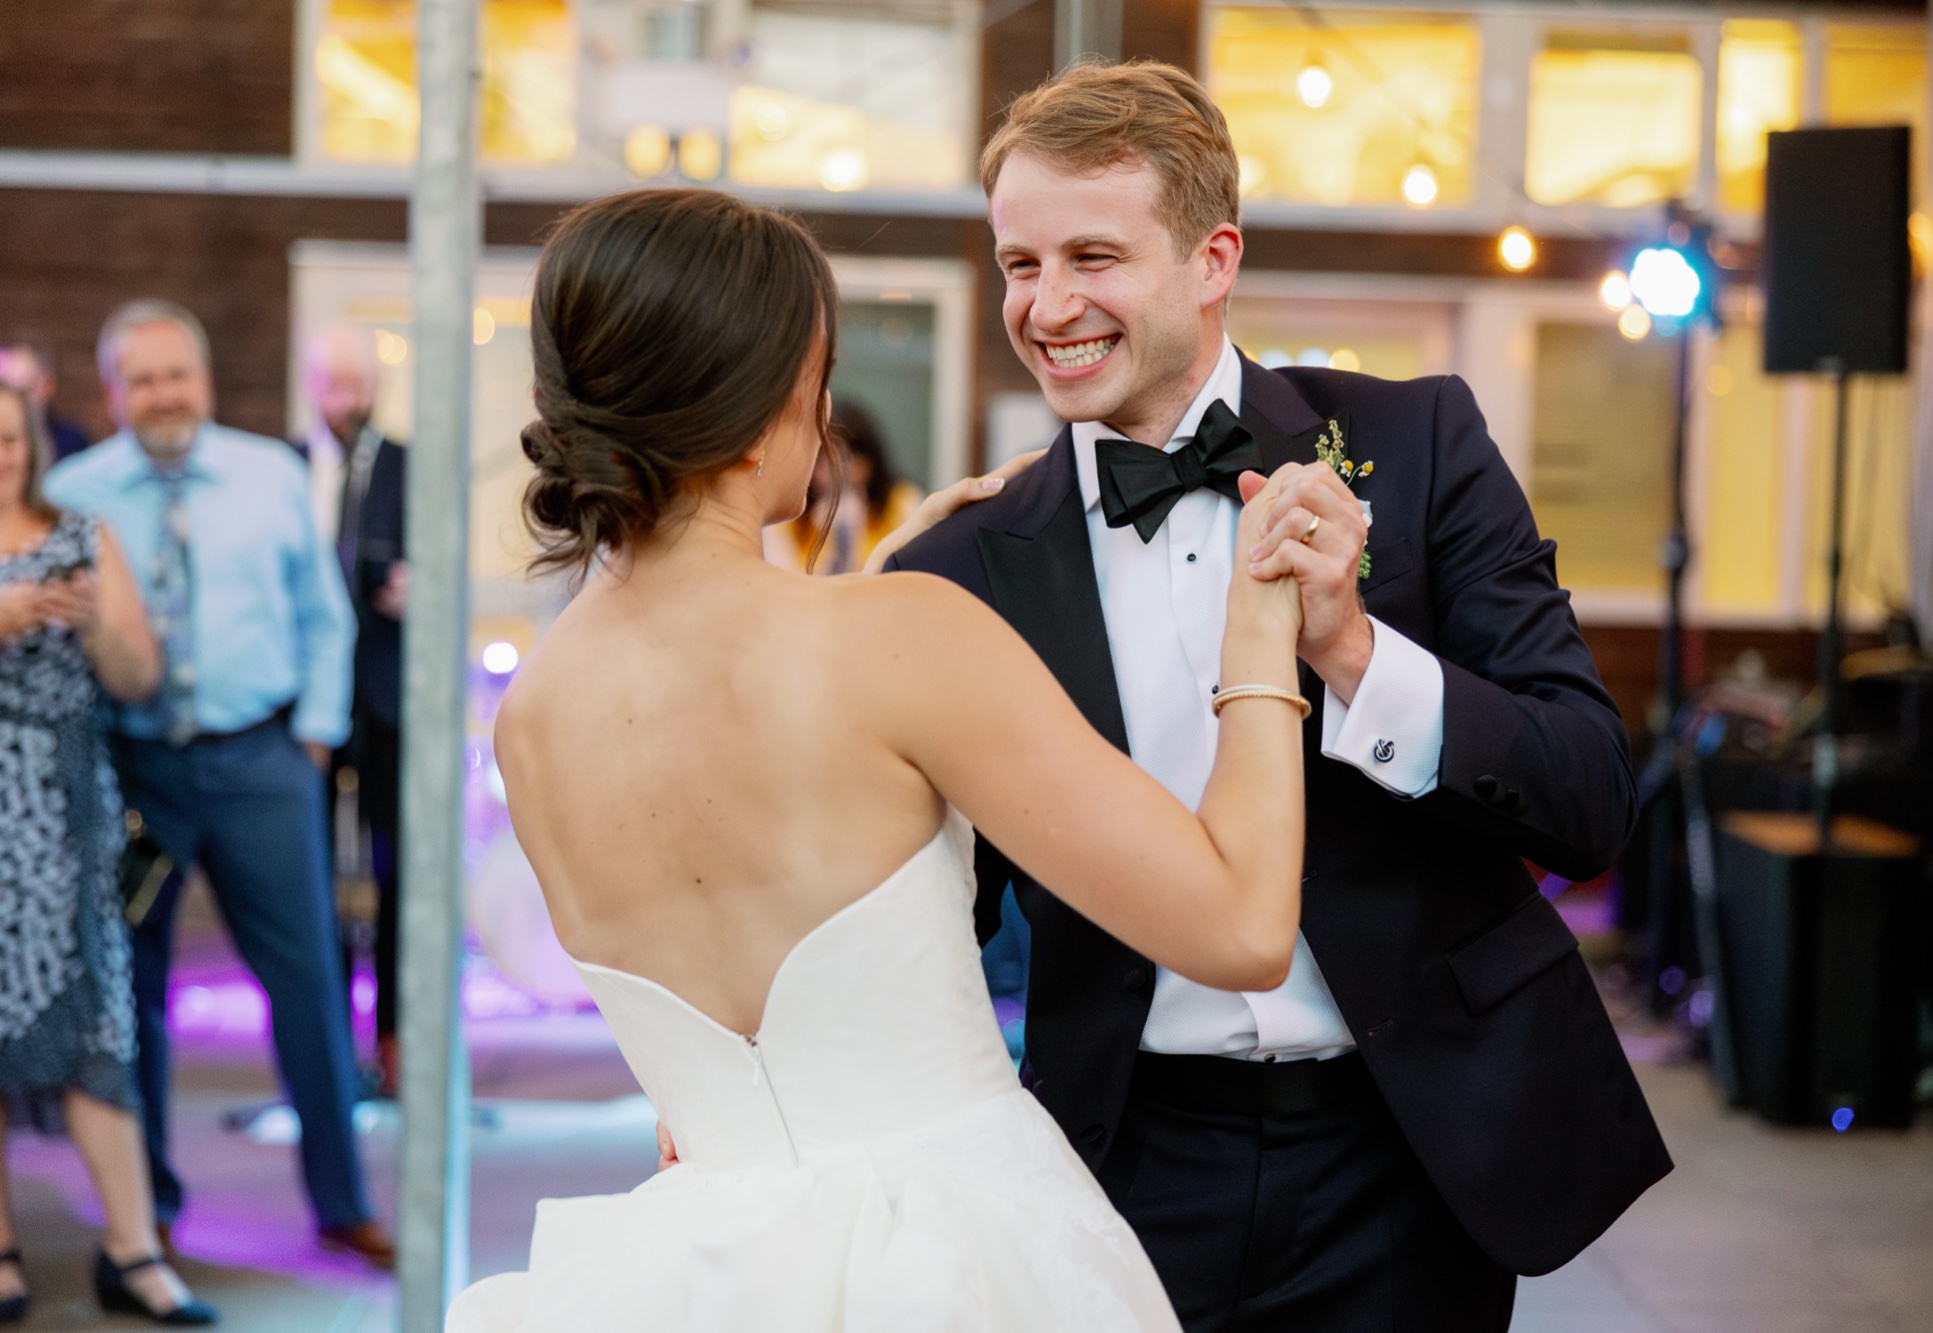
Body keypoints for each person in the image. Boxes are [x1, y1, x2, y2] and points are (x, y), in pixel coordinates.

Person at [885, 59, 1673, 1332]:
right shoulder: (957, 567)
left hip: (1412, 1154)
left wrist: (1356, 651)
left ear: (1212, 260)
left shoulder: (1416, 444)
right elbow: (920, 917)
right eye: (1018, 264)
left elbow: (1587, 795)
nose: (1046, 305)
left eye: (1093, 255)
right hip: (1119, 1162)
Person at [446, 187, 1312, 1332]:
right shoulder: (896, 640)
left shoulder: (534, 717)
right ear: (773, 396)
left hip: (694, 1270)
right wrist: (1260, 638)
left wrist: (859, 602)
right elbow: (1244, 928)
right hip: (956, 1253)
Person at [43, 300, 395, 1270]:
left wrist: (316, 740)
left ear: (204, 379)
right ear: (112, 392)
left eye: (177, 375)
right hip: (134, 769)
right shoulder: (73, 488)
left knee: (311, 987)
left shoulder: (271, 474)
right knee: (135, 996)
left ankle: (341, 1202)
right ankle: (148, 1206)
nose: (164, 395)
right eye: (142, 380)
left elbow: (325, 619)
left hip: (260, 762)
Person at [0, 383, 217, 1324]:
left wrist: (90, 620)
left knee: (100, 1025)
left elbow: (138, 675)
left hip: (67, 814)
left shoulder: (82, 531)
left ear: (33, 441)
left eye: (9, 436)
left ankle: (132, 1250)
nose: (0, 452)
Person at [300, 326, 408, 1096]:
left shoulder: (407, 465)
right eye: (337, 386)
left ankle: (395, 1039)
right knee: (310, 871)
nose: (351, 402)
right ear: (314, 389)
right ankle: (327, 1042)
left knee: (395, 868)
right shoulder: (288, 469)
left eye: (360, 384)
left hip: (388, 695)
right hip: (309, 702)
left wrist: (413, 586)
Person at [762, 399, 922, 574]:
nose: (838, 472)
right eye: (824, 459)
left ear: (870, 460)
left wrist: (853, 535)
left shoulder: (901, 501)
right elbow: (785, 577)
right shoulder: (789, 513)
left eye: (848, 458)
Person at [0, 335, 94, 463]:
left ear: (48, 385)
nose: (15, 403)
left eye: (26, 391)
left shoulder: (73, 443)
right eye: (6, 391)